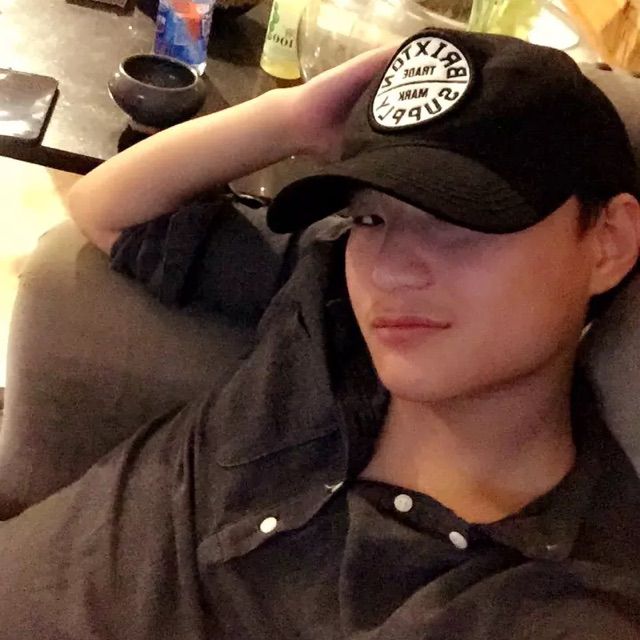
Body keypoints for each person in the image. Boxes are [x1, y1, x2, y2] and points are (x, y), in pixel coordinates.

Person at [1, 27, 640, 639]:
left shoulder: (552, 607)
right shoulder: (327, 286)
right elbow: (106, 209)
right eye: (370, 218)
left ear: (608, 241)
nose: (388, 271)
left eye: (457, 219)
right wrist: (292, 119)